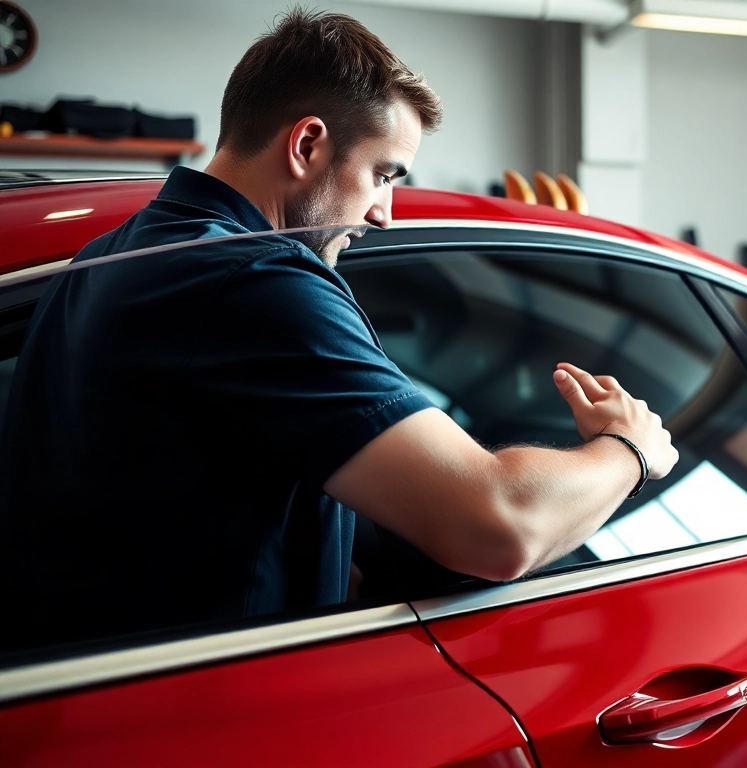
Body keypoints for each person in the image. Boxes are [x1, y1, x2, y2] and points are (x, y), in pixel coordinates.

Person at [0, 9, 676, 650]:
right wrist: (628, 449)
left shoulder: (107, 256)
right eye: (383, 174)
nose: (385, 212)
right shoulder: (256, 279)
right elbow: (500, 526)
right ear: (307, 144)